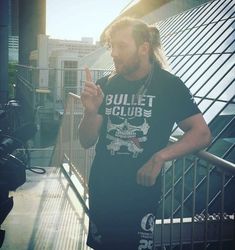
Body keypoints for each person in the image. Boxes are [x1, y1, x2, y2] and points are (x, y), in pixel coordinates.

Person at [78, 17, 211, 250]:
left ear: (143, 48)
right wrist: (90, 112)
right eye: (112, 46)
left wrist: (160, 157)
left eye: (121, 46)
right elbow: (86, 140)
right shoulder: (105, 85)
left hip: (140, 193)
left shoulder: (169, 86)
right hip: (103, 188)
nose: (114, 53)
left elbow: (201, 133)